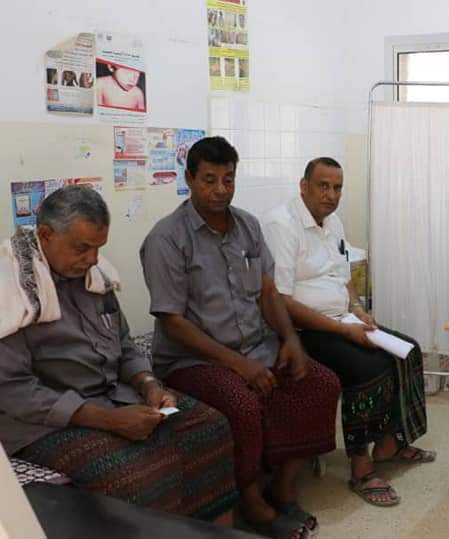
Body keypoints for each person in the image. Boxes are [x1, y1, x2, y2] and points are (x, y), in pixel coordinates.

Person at [140, 137, 341, 539]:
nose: (220, 189)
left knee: (321, 383)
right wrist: (239, 366)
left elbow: (267, 291)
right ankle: (250, 502)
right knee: (242, 405)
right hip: (193, 361)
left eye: (228, 179)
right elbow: (172, 321)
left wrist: (290, 339)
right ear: (189, 179)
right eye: (209, 180)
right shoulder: (167, 238)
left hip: (256, 346)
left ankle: (283, 486)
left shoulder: (248, 226)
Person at [0, 186, 238, 524]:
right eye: (82, 248)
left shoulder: (93, 276)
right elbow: (15, 392)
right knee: (137, 475)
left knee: (210, 427)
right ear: (46, 235)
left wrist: (149, 384)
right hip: (44, 424)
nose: (93, 260)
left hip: (112, 396)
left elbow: (123, 343)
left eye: (98, 248)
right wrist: (108, 420)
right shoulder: (12, 290)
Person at [262, 157, 433, 508]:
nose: (331, 195)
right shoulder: (282, 225)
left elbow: (343, 277)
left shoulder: (333, 221)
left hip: (342, 318)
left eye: (337, 188)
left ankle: (391, 442)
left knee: (409, 349)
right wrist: (342, 329)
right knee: (368, 366)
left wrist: (358, 311)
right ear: (303, 186)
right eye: (323, 186)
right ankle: (361, 466)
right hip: (301, 329)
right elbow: (281, 300)